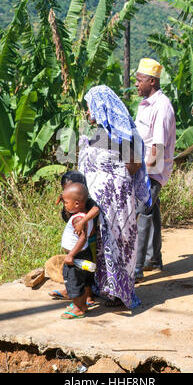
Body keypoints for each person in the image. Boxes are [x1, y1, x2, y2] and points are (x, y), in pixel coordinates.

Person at [78, 85, 151, 309]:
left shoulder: (127, 135)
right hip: (100, 204)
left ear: (101, 107)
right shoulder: (99, 133)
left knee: (120, 245)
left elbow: (132, 166)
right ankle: (107, 288)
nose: (88, 112)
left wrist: (111, 182)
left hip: (118, 203)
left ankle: (120, 293)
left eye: (90, 107)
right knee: (102, 248)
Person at [134, 58, 176, 282]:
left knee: (141, 214)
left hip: (152, 170)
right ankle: (154, 259)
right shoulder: (147, 103)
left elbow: (157, 149)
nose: (136, 84)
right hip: (146, 168)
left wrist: (139, 171)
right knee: (152, 211)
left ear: (152, 81)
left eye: (139, 80)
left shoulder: (161, 107)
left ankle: (137, 269)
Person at [49, 171, 99, 307]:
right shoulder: (73, 201)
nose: (66, 191)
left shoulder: (86, 203)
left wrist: (84, 221)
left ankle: (81, 304)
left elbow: (96, 210)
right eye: (64, 189)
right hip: (78, 245)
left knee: (77, 279)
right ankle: (78, 298)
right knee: (79, 277)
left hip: (81, 247)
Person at [59, 182, 96, 319]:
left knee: (74, 281)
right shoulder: (86, 215)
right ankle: (82, 305)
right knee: (83, 280)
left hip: (76, 255)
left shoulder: (78, 219)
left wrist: (71, 255)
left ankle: (78, 308)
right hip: (83, 253)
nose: (64, 205)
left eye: (66, 202)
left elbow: (83, 237)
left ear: (76, 204)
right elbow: (90, 232)